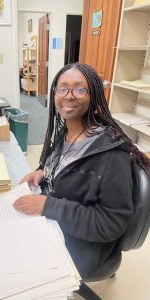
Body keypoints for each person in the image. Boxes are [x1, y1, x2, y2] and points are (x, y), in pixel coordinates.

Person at [13, 63, 150, 280]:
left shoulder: (112, 156)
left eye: (79, 89)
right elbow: (66, 165)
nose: (69, 96)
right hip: (58, 224)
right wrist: (43, 171)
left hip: (88, 250)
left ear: (93, 96)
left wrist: (49, 206)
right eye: (62, 88)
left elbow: (110, 223)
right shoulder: (67, 132)